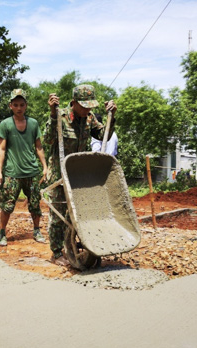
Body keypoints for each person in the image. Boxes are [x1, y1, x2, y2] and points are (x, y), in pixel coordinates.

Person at [44, 84, 117, 265]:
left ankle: (77, 244)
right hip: (59, 175)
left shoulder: (90, 118)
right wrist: (53, 115)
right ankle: (56, 253)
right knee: (58, 215)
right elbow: (47, 139)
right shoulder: (60, 116)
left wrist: (111, 116)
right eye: (84, 106)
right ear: (74, 102)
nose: (88, 109)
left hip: (79, 176)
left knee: (78, 214)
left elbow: (103, 136)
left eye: (90, 106)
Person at [0, 88, 49, 246]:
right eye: (16, 104)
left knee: (34, 204)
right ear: (10, 106)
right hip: (12, 173)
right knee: (7, 205)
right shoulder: (5, 124)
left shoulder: (33, 124)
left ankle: (37, 230)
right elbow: (2, 149)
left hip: (32, 172)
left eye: (22, 104)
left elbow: (39, 147)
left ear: (26, 106)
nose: (19, 108)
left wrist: (44, 166)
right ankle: (2, 232)